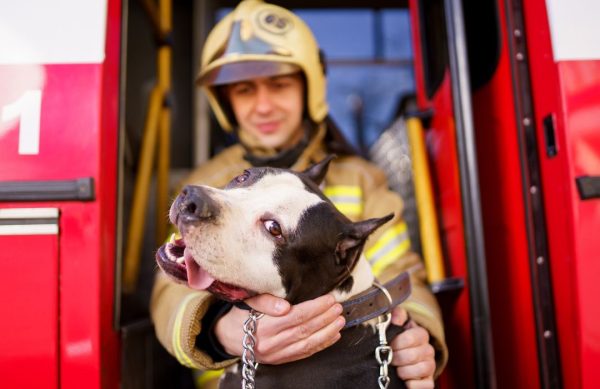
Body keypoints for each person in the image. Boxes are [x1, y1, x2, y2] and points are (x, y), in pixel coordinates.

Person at [150, 0, 448, 387]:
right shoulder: (209, 181)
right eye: (244, 90)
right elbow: (166, 293)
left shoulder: (360, 179)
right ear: (226, 103)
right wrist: (220, 333)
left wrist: (419, 336)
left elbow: (403, 274)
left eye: (279, 84)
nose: (263, 105)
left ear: (310, 87)